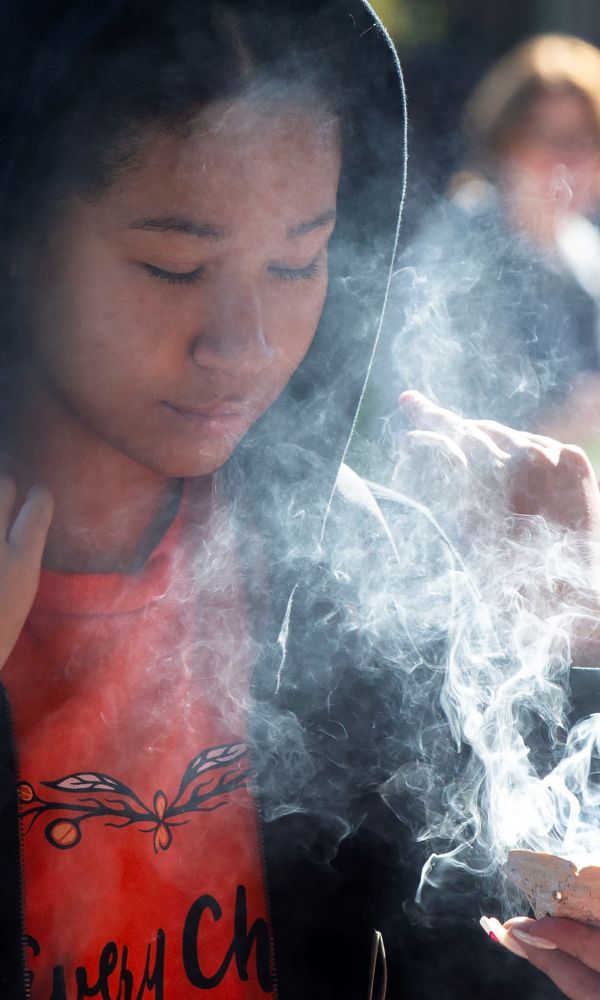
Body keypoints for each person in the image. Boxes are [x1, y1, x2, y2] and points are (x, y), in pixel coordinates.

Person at [0, 2, 599, 998]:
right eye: (174, 265)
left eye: (297, 261)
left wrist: (566, 658)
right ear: (18, 231)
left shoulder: (365, 581)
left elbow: (477, 957)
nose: (242, 342)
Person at [381, 35, 600, 440]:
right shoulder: (458, 252)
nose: (572, 161)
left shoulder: (586, 253)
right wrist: (562, 429)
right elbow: (420, 425)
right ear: (506, 142)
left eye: (589, 141)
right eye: (553, 138)